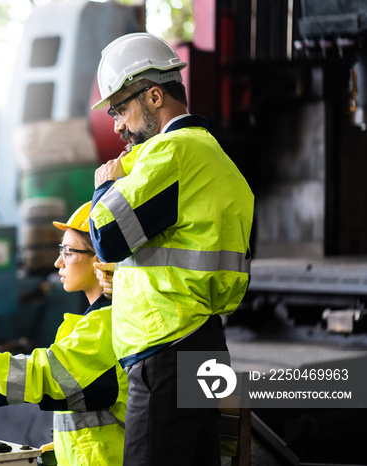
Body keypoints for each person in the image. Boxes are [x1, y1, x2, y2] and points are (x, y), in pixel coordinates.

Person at [88, 33, 255, 466]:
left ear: (155, 95)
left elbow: (107, 237)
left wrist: (106, 185)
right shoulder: (215, 156)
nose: (117, 126)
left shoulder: (171, 151)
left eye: (121, 109)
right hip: (203, 340)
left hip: (165, 350)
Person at [0, 201, 128, 466]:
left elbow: (40, 376)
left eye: (69, 252)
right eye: (59, 249)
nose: (57, 261)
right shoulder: (90, 323)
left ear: (100, 260)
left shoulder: (106, 324)